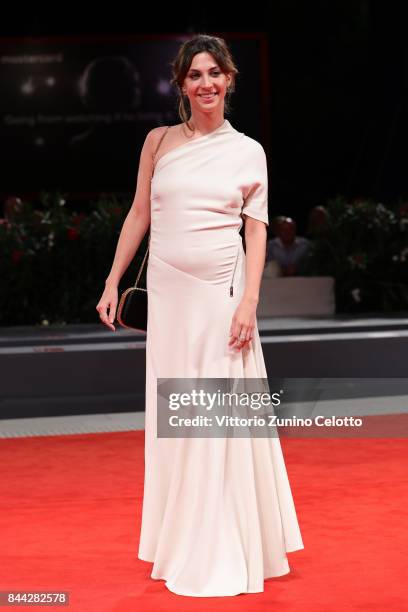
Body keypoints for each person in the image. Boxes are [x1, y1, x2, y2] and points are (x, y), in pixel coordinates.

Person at [96, 34, 304, 598]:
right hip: (166, 300)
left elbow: (255, 230)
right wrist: (114, 280)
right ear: (181, 83)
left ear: (229, 79)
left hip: (219, 297)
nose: (206, 83)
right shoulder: (158, 141)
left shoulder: (248, 150)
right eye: (195, 75)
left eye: (215, 73)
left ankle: (218, 544)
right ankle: (178, 540)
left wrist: (249, 301)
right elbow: (139, 213)